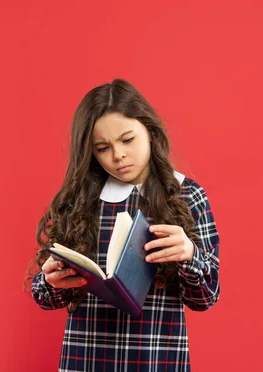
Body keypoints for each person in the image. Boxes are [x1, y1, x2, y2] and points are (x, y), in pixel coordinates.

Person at [27, 78, 220, 372]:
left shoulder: (187, 195)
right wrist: (50, 280)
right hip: (87, 359)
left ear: (150, 131)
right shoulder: (81, 200)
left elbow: (206, 297)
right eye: (103, 148)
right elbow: (44, 296)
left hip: (156, 359)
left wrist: (190, 254)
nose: (118, 156)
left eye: (127, 140)